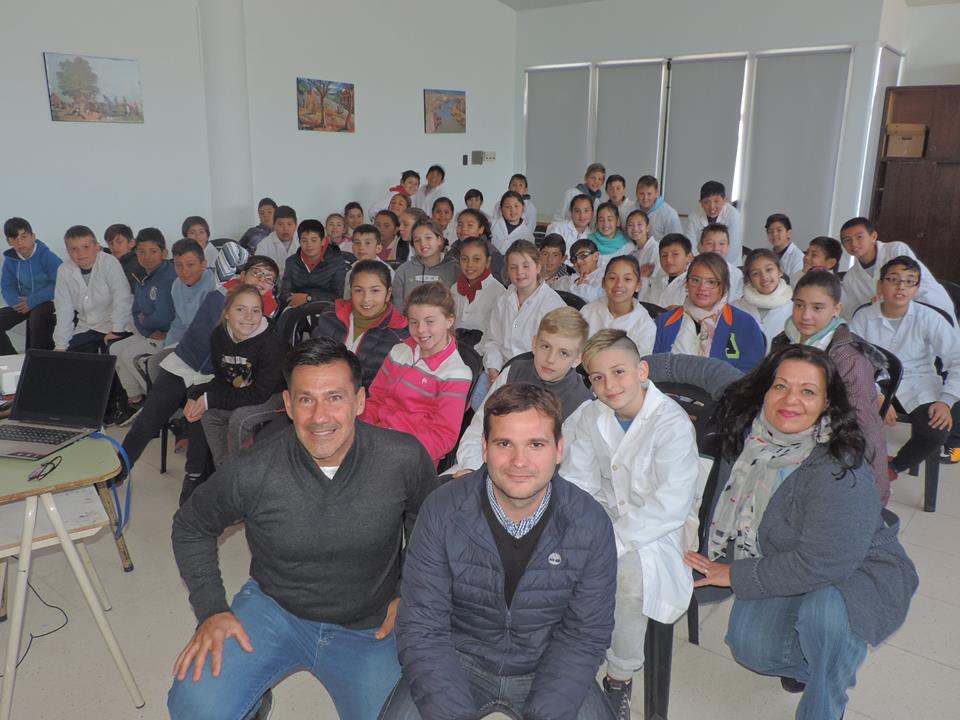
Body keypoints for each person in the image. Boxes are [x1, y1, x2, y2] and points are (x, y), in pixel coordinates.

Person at [168, 337, 438, 720]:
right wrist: (211, 609)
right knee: (195, 708)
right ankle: (252, 702)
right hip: (275, 608)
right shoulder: (252, 469)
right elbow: (191, 526)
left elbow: (430, 527)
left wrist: (409, 592)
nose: (319, 417)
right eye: (306, 399)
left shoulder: (403, 457)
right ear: (289, 404)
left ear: (360, 401)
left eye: (335, 398)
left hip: (370, 622)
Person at [684, 345, 918, 720]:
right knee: (750, 649)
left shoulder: (837, 467)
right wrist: (626, 366)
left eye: (808, 391)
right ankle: (815, 660)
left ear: (828, 403)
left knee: (825, 614)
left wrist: (734, 573)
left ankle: (827, 694)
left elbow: (826, 562)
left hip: (856, 568)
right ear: (764, 390)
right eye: (780, 386)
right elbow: (700, 369)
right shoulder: (755, 433)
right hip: (790, 557)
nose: (790, 399)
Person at [380, 383, 618, 720]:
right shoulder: (442, 510)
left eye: (536, 444)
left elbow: (585, 635)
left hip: (549, 663)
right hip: (456, 657)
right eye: (505, 443)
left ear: (559, 450)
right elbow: (422, 627)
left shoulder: (590, 523)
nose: (519, 461)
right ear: (485, 448)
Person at [562, 330, 699, 719]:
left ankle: (619, 676)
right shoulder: (590, 415)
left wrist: (608, 542)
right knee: (557, 558)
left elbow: (670, 505)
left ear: (641, 371)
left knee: (628, 580)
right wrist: (585, 531)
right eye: (598, 377)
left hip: (660, 528)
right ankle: (575, 653)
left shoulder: (671, 423)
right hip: (605, 512)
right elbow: (577, 482)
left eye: (619, 372)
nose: (609, 385)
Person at [121, 256, 280, 503]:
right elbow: (204, 338)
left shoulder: (267, 314)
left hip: (217, 374)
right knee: (151, 414)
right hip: (187, 362)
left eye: (269, 278)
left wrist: (203, 393)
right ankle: (120, 469)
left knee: (200, 417)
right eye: (257, 273)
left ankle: (193, 477)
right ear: (242, 275)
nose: (262, 280)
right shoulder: (220, 294)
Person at [772, 270, 890, 503]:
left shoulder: (848, 357)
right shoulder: (784, 341)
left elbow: (862, 423)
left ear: (837, 309)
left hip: (836, 445)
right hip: (789, 434)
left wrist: (873, 487)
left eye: (817, 308)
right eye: (799, 305)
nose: (805, 315)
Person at [448, 307, 593, 477]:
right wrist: (473, 470)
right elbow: (478, 430)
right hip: (484, 466)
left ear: (577, 359)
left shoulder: (581, 404)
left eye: (563, 353)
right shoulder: (512, 373)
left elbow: (568, 469)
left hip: (537, 482)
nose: (550, 359)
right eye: (546, 346)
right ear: (534, 343)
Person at [850, 256, 960, 476]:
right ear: (880, 285)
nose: (901, 286)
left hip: (919, 384)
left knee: (936, 432)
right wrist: (875, 395)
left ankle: (893, 467)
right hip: (876, 383)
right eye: (893, 279)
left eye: (909, 281)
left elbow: (957, 358)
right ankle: (858, 467)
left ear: (916, 289)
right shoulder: (863, 317)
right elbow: (853, 361)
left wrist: (945, 401)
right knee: (848, 421)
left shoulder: (930, 318)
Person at [360, 282, 471, 466]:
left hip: (411, 457)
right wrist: (361, 431)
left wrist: (396, 451)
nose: (420, 330)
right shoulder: (399, 351)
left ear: (449, 321)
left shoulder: (456, 373)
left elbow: (443, 436)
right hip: (376, 439)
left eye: (430, 321)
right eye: (414, 322)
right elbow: (375, 399)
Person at [183, 283, 286, 468]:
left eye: (255, 310)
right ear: (227, 313)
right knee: (209, 414)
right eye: (240, 309)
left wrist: (209, 399)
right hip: (244, 391)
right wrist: (196, 396)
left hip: (276, 395)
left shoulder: (272, 342)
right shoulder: (219, 336)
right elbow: (222, 379)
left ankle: (241, 472)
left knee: (241, 419)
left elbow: (259, 394)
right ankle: (223, 469)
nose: (249, 317)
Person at [653, 252, 765, 373]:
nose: (702, 287)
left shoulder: (744, 324)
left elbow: (751, 375)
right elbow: (653, 368)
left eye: (711, 282)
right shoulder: (665, 322)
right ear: (686, 284)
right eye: (695, 280)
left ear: (724, 287)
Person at [109, 228, 177, 424]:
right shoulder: (141, 275)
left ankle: (159, 405)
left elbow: (164, 317)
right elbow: (135, 311)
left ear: (164, 253)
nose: (147, 257)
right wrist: (147, 327)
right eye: (141, 251)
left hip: (169, 334)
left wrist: (145, 320)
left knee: (130, 356)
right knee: (115, 349)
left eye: (153, 251)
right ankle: (137, 400)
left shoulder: (168, 277)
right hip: (151, 332)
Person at [312, 260, 408, 389]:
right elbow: (313, 359)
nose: (366, 299)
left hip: (369, 399)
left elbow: (394, 388)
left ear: (388, 294)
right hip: (324, 390)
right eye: (358, 290)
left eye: (375, 291)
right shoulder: (331, 316)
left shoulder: (399, 334)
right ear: (350, 291)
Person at [482, 240, 565, 388]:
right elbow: (493, 341)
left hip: (535, 376)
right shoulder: (502, 301)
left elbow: (555, 353)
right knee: (476, 396)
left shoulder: (553, 305)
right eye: (513, 267)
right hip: (502, 369)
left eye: (526, 266)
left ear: (538, 267)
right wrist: (493, 369)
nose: (519, 272)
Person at [840, 216, 954, 323]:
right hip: (891, 322)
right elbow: (852, 313)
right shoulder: (850, 278)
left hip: (928, 306)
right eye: (847, 240)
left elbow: (912, 282)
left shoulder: (896, 250)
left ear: (873, 237)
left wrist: (885, 300)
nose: (854, 243)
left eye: (859, 237)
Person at [53, 224, 132, 353]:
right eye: (74, 249)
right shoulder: (64, 270)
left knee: (111, 356)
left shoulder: (109, 262)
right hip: (87, 328)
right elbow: (64, 310)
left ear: (97, 247)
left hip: (114, 325)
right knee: (67, 357)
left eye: (86, 247)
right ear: (68, 251)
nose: (80, 253)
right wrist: (60, 345)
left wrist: (117, 330)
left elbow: (122, 298)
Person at [0, 216, 61, 355]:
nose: (20, 242)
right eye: (14, 238)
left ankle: (37, 360)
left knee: (37, 319)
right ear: (9, 241)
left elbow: (59, 284)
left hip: (48, 302)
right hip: (24, 303)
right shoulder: (10, 260)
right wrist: (16, 302)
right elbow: (7, 286)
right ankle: (12, 360)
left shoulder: (47, 256)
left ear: (33, 237)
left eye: (24, 236)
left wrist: (33, 301)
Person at [582, 255, 657, 355]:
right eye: (612, 278)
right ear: (603, 283)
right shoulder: (587, 311)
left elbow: (639, 361)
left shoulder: (645, 325)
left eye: (627, 279)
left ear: (638, 285)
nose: (619, 284)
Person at [392, 218, 459, 314]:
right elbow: (398, 309)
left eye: (428, 238)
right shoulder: (403, 271)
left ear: (439, 240)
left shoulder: (455, 270)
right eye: (417, 240)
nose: (423, 243)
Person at [451, 236, 506, 350]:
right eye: (464, 259)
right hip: (454, 349)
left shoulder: (499, 292)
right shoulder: (454, 289)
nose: (469, 264)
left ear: (487, 262)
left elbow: (496, 335)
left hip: (483, 351)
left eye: (476, 259)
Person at [162, 239, 217, 350]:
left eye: (190, 265)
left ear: (203, 264)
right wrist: (167, 348)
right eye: (178, 265)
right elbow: (179, 323)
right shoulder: (176, 285)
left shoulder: (214, 286)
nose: (184, 271)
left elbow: (214, 328)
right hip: (186, 339)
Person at [734, 248, 794, 350]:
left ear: (780, 271)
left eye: (769, 270)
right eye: (756, 273)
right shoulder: (734, 309)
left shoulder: (794, 310)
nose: (764, 277)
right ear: (749, 279)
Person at [280, 218, 347, 307]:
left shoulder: (337, 261)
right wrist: (292, 300)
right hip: (296, 308)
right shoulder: (291, 262)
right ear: (299, 242)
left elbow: (338, 297)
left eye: (314, 240)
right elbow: (284, 293)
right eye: (304, 241)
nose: (309, 245)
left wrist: (308, 298)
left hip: (326, 308)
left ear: (323, 241)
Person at [685, 180, 743, 265]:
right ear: (701, 203)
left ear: (724, 201)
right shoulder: (694, 216)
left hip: (729, 264)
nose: (712, 206)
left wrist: (716, 266)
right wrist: (704, 264)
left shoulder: (733, 215)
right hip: (702, 262)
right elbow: (690, 247)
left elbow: (732, 249)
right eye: (706, 202)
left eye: (716, 201)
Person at [638, 233, 693, 309]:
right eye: (664, 255)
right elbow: (642, 304)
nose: (668, 260)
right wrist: (644, 279)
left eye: (675, 254)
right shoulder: (658, 279)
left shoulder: (692, 283)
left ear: (689, 257)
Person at [344, 224, 394, 297]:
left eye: (367, 243)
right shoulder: (350, 272)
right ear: (352, 247)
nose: (361, 247)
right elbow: (347, 298)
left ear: (378, 248)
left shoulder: (388, 271)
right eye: (357, 243)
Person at [698, 223, 743, 301]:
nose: (716, 248)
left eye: (722, 243)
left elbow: (737, 301)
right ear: (701, 246)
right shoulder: (690, 270)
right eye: (710, 243)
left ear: (728, 246)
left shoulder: (737, 274)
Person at [555, 238, 605, 303]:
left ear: (596, 256)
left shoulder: (605, 277)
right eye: (574, 259)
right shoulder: (567, 279)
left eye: (583, 255)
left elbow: (596, 299)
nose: (578, 261)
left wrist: (580, 287)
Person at [255, 205, 299, 276]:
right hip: (273, 281)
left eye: (289, 224)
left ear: (296, 225)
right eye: (280, 224)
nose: (285, 228)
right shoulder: (264, 245)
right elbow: (258, 270)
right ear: (274, 225)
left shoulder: (304, 241)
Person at [635, 175, 682, 241]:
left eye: (649, 194)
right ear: (636, 193)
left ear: (656, 193)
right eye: (641, 194)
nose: (645, 198)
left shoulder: (669, 214)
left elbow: (677, 241)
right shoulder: (630, 210)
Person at [589, 201, 632, 267]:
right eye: (601, 220)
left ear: (617, 222)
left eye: (610, 219)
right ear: (597, 222)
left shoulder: (628, 246)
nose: (605, 224)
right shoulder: (587, 242)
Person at [103, 223, 141, 289]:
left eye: (119, 242)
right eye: (111, 243)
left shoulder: (138, 265)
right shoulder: (110, 264)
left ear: (132, 243)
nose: (115, 247)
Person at [765, 213, 803, 277]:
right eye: (770, 231)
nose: (774, 234)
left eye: (779, 230)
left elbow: (794, 281)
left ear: (789, 233)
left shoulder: (798, 257)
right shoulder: (767, 255)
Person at [625, 209, 657, 279]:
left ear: (648, 228)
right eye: (630, 225)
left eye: (639, 224)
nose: (635, 229)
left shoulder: (655, 249)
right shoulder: (632, 253)